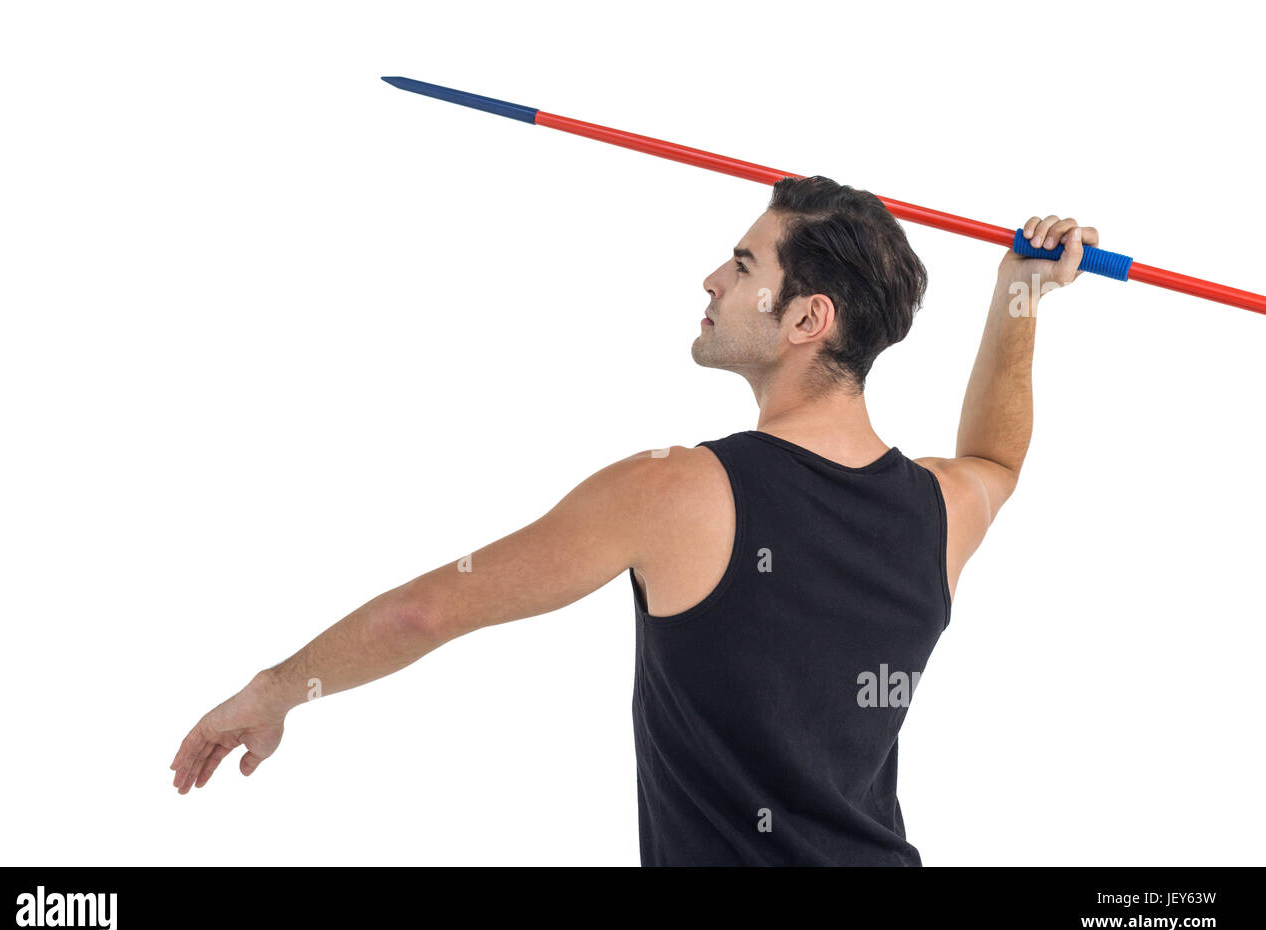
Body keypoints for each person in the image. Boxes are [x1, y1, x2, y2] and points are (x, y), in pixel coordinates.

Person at [170, 175, 1097, 865]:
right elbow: (996, 458)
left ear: (809, 318)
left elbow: (429, 611)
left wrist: (277, 687)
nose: (710, 280)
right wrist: (1020, 293)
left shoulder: (681, 491)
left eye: (742, 265)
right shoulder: (940, 510)